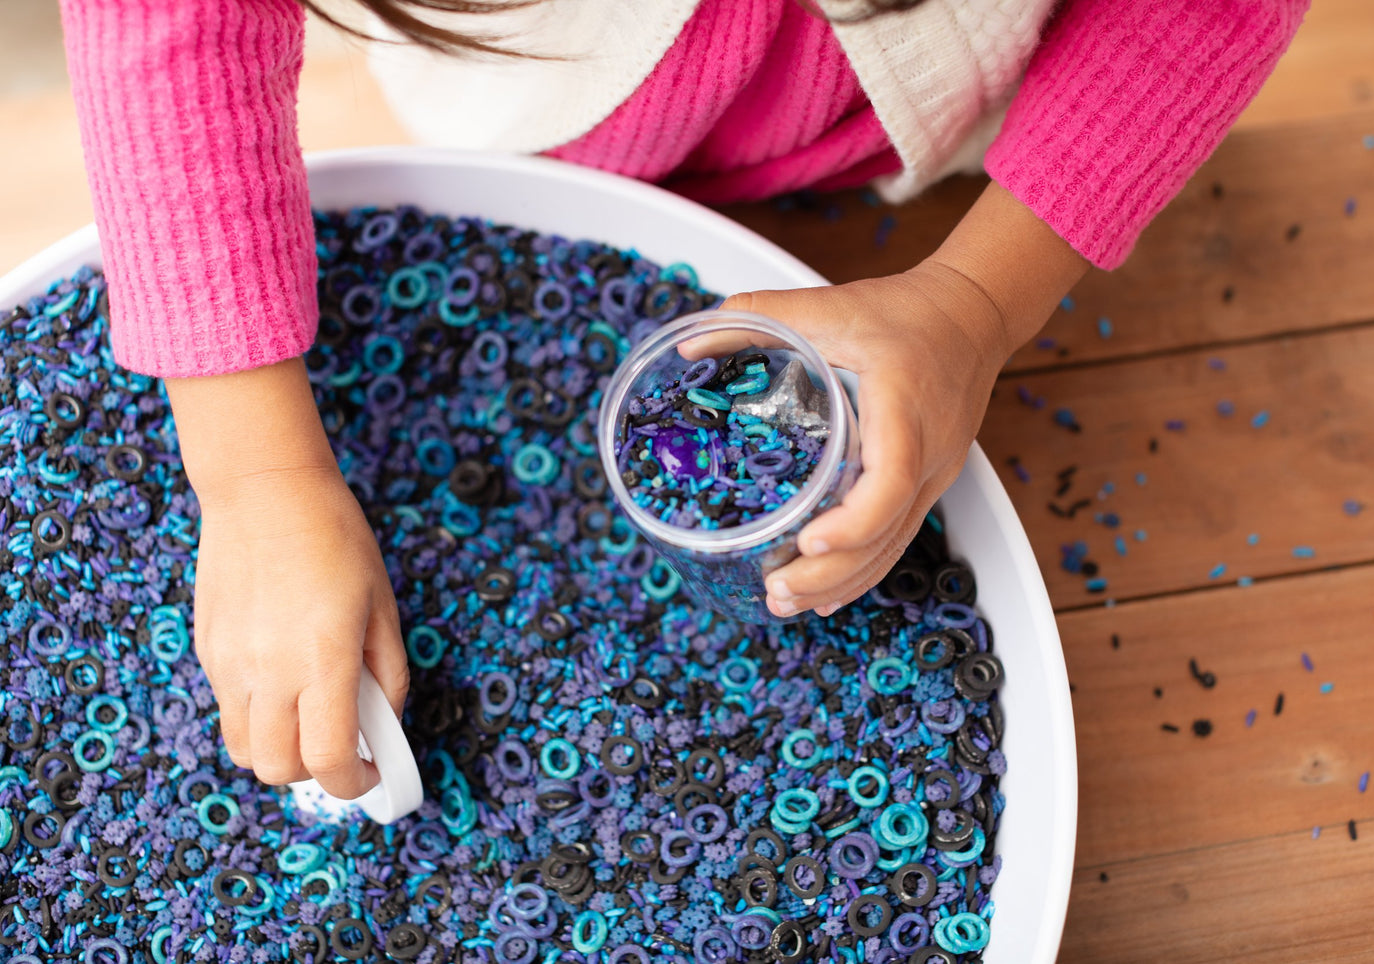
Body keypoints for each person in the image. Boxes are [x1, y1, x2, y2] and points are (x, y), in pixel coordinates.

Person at [57, 0, 1309, 801]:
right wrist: (256, 475)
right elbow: (168, 28)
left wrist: (978, 303)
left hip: (970, 130)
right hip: (548, 113)